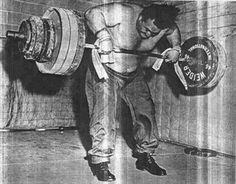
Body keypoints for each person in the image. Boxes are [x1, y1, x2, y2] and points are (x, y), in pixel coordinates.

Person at [84, 2, 181, 182]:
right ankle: (100, 161)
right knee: (104, 114)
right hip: (107, 70)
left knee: (146, 112)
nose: (148, 35)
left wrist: (176, 47)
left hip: (133, 73)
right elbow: (92, 13)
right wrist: (103, 35)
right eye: (146, 29)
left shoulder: (161, 24)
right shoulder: (124, 11)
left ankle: (145, 155)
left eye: (153, 33)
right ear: (142, 16)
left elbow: (172, 30)